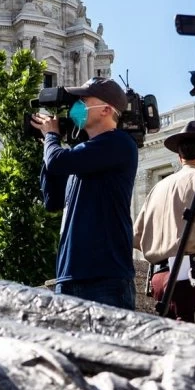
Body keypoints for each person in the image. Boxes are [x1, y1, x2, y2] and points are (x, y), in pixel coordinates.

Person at [32, 77, 139, 309]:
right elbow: (52, 200)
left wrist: (52, 137)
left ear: (106, 109)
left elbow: (58, 162)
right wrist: (48, 144)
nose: (77, 106)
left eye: (84, 100)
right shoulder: (80, 154)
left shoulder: (119, 143)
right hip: (70, 275)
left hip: (104, 277)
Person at [133, 121, 195, 321]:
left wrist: (166, 250)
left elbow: (136, 237)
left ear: (180, 156)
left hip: (159, 281)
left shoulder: (158, 188)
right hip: (194, 280)